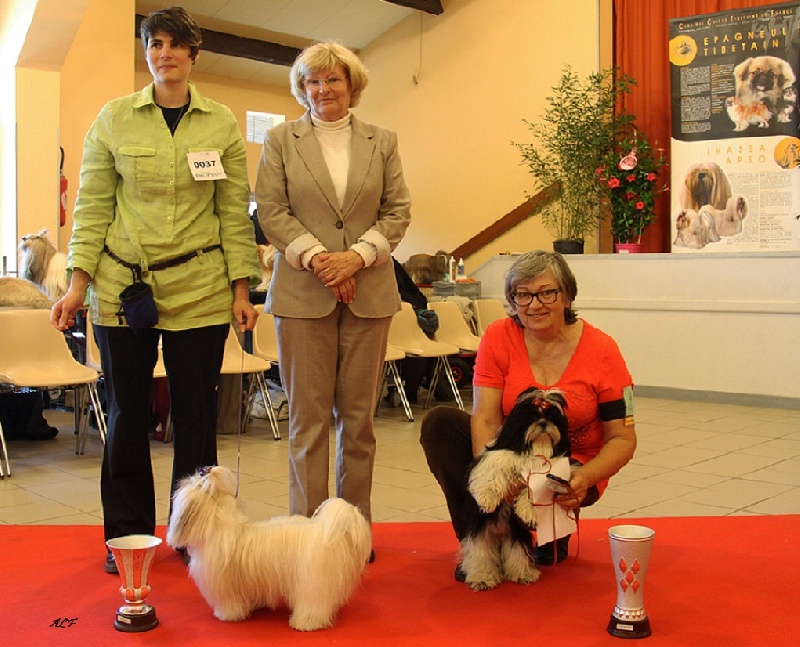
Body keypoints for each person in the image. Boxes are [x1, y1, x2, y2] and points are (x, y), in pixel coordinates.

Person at [51, 7, 260, 574]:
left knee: (196, 417)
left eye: (175, 44)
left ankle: (194, 534)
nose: (164, 53)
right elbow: (92, 208)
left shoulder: (220, 123)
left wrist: (242, 290)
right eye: (154, 44)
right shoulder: (114, 118)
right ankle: (127, 535)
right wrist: (77, 286)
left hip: (201, 288)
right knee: (125, 415)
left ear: (194, 54)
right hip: (124, 286)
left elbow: (232, 214)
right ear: (146, 53)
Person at [254, 42, 411, 556]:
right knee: (308, 423)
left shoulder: (382, 141)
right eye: (313, 81)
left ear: (352, 84)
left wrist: (356, 258)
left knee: (359, 423)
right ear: (302, 88)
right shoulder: (280, 139)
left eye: (333, 80)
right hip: (302, 294)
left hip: (369, 293)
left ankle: (353, 533)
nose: (323, 90)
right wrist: (322, 259)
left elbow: (397, 211)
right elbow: (271, 209)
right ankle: (308, 536)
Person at [420, 250, 637, 578]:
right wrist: (494, 476)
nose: (534, 305)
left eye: (546, 293)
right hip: (511, 456)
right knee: (441, 425)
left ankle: (548, 528)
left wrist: (585, 478)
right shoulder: (498, 336)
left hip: (569, 466)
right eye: (523, 295)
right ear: (512, 300)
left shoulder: (603, 350)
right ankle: (479, 539)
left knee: (550, 558)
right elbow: (485, 419)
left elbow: (623, 438)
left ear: (567, 296)